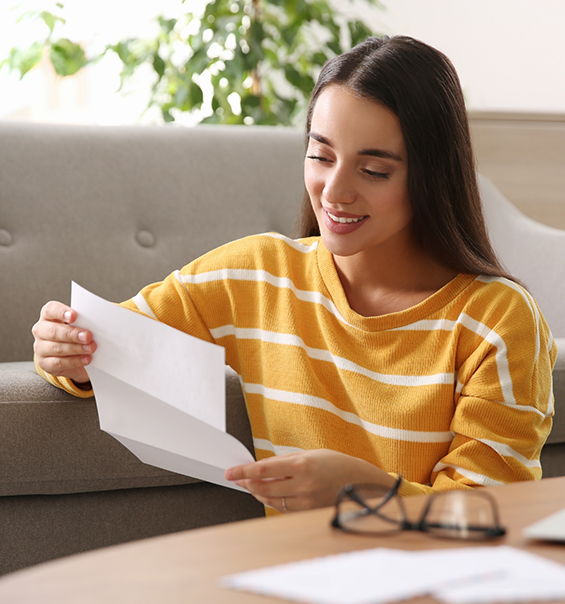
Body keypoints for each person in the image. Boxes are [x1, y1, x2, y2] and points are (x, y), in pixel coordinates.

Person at [32, 35, 557, 515]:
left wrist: (363, 490)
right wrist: (66, 352)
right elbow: (110, 340)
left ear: (432, 175)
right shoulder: (260, 274)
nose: (334, 191)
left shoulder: (497, 320)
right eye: (320, 155)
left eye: (373, 170)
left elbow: (489, 520)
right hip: (289, 578)